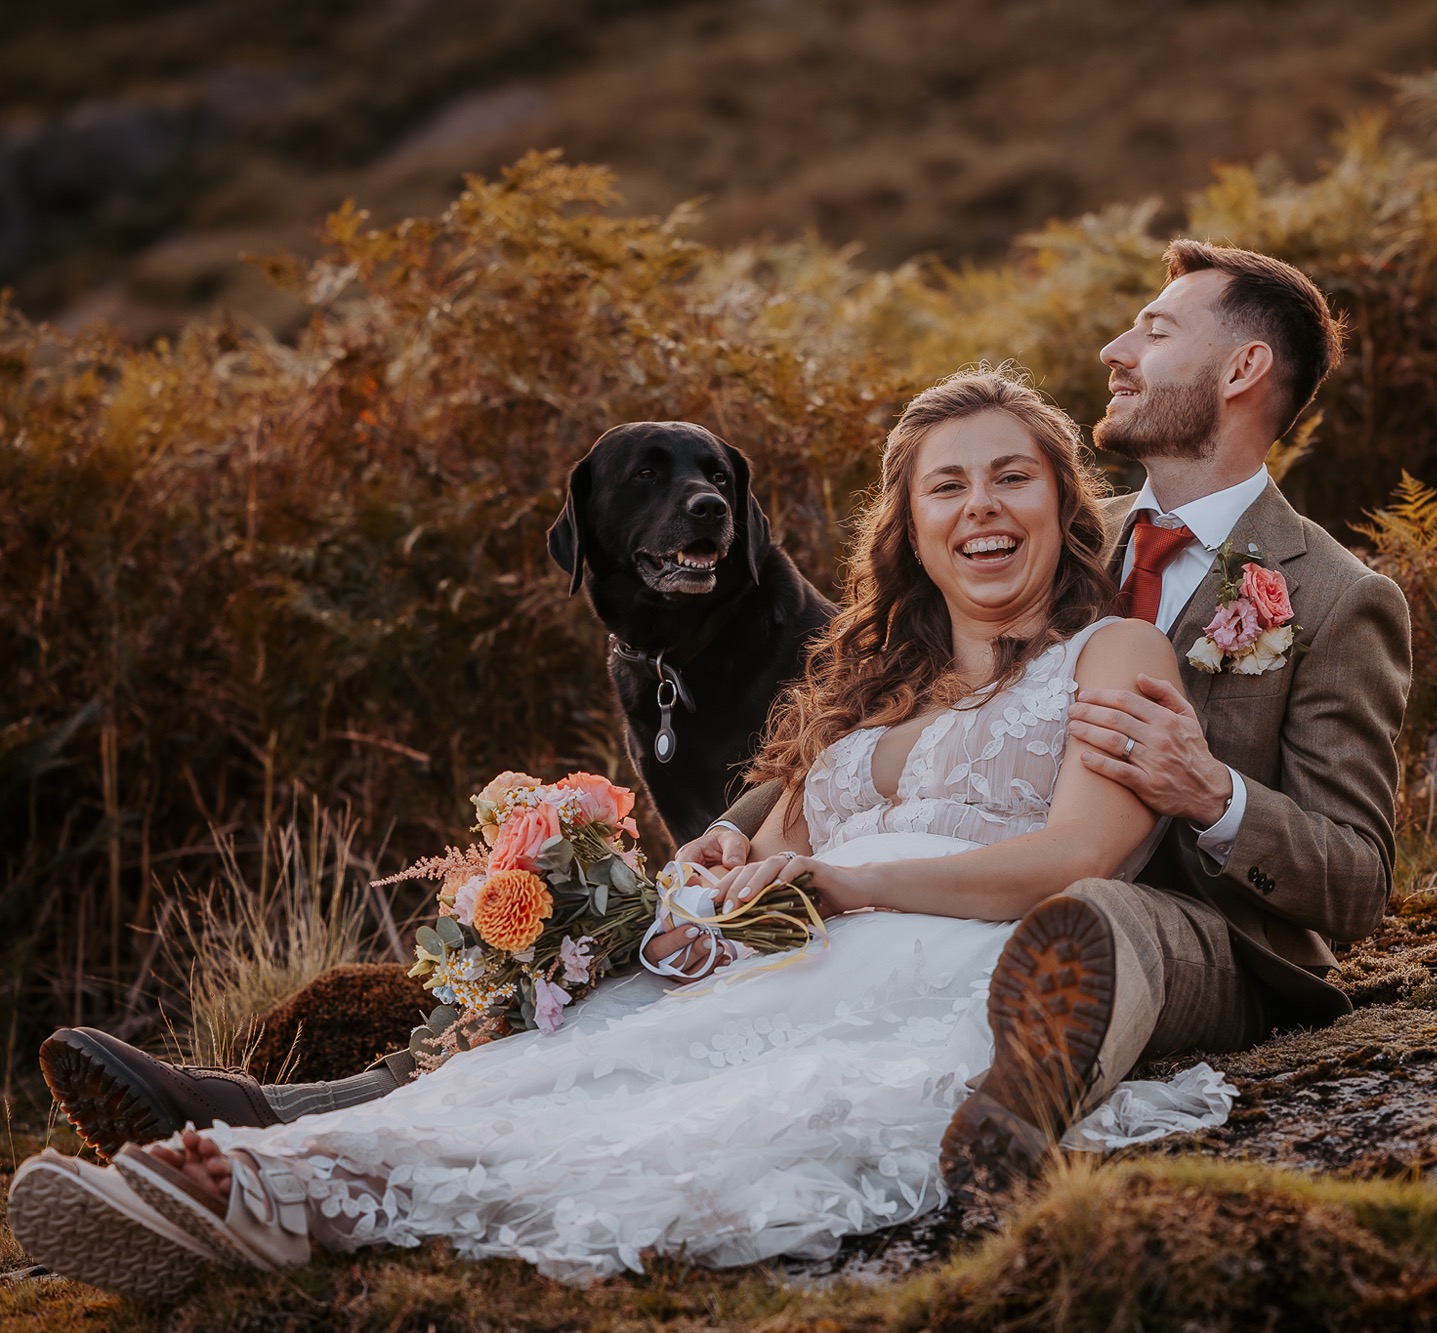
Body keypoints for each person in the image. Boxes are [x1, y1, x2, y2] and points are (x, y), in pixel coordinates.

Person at [8, 368, 1241, 1296]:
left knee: (670, 1113)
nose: (981, 510)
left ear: (1059, 501)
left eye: (1010, 477)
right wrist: (723, 860)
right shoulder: (865, 683)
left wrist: (841, 883)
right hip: (798, 934)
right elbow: (774, 841)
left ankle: (282, 1197)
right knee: (557, 1058)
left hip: (947, 951)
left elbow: (1084, 855)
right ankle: (265, 1178)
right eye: (947, 485)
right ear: (907, 524)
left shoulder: (1112, 652)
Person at [687, 240, 1411, 1196]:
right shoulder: (1032, 529)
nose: (1115, 349)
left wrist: (1213, 795)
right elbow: (891, 704)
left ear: (1242, 369)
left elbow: (1359, 881)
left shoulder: (1333, 595)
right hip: (964, 883)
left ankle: (1021, 1097)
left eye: (1154, 332)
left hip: (1197, 927)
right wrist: (740, 828)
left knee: (1096, 913)